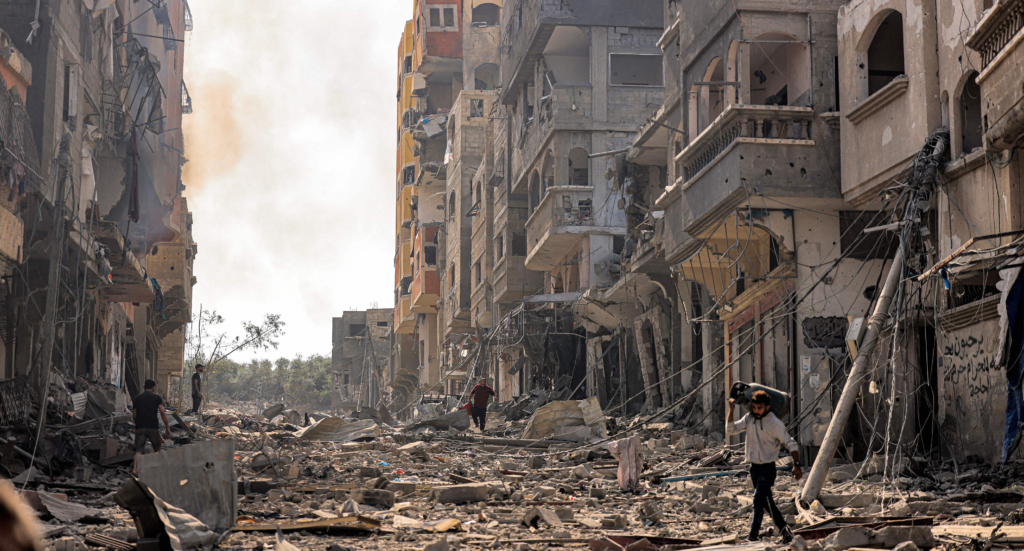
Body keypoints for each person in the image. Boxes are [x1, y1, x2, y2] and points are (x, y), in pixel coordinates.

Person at [727, 390, 801, 543]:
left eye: (759, 408)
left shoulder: (774, 423)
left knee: (757, 499)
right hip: (754, 468)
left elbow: (791, 443)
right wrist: (732, 410)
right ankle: (785, 531)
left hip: (768, 468)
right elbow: (731, 430)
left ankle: (753, 535)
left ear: (767, 407)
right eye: (754, 407)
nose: (756, 411)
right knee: (767, 503)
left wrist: (797, 465)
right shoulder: (749, 418)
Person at [132, 379, 171, 476]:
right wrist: (167, 427)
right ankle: (160, 469)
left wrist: (138, 424)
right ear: (153, 388)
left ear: (144, 387)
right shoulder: (157, 398)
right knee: (158, 449)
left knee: (138, 451)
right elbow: (162, 412)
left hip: (140, 427)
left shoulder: (137, 398)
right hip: (153, 427)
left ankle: (135, 470)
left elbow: (134, 415)